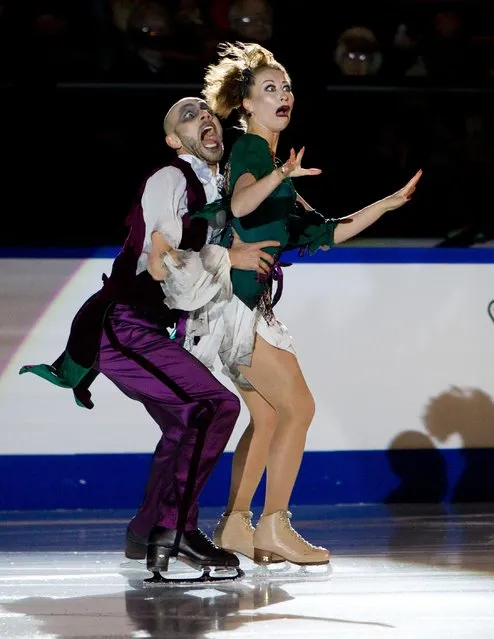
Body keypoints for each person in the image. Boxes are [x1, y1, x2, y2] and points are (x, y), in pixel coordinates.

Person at [151, 42, 422, 567]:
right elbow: (240, 202)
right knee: (300, 407)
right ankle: (274, 524)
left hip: (241, 306)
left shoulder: (275, 165)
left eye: (287, 87)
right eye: (270, 88)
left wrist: (384, 206)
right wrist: (278, 177)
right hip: (235, 306)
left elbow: (325, 232)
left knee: (270, 415)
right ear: (247, 105)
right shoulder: (252, 151)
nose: (284, 95)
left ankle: (235, 526)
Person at [19, 95, 281, 582]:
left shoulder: (213, 187)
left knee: (186, 424)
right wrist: (227, 257)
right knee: (212, 407)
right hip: (119, 324)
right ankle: (175, 530)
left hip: (137, 325)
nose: (203, 117)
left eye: (206, 112)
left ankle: (146, 532)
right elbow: (163, 248)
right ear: (172, 140)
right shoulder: (170, 177)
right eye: (188, 115)